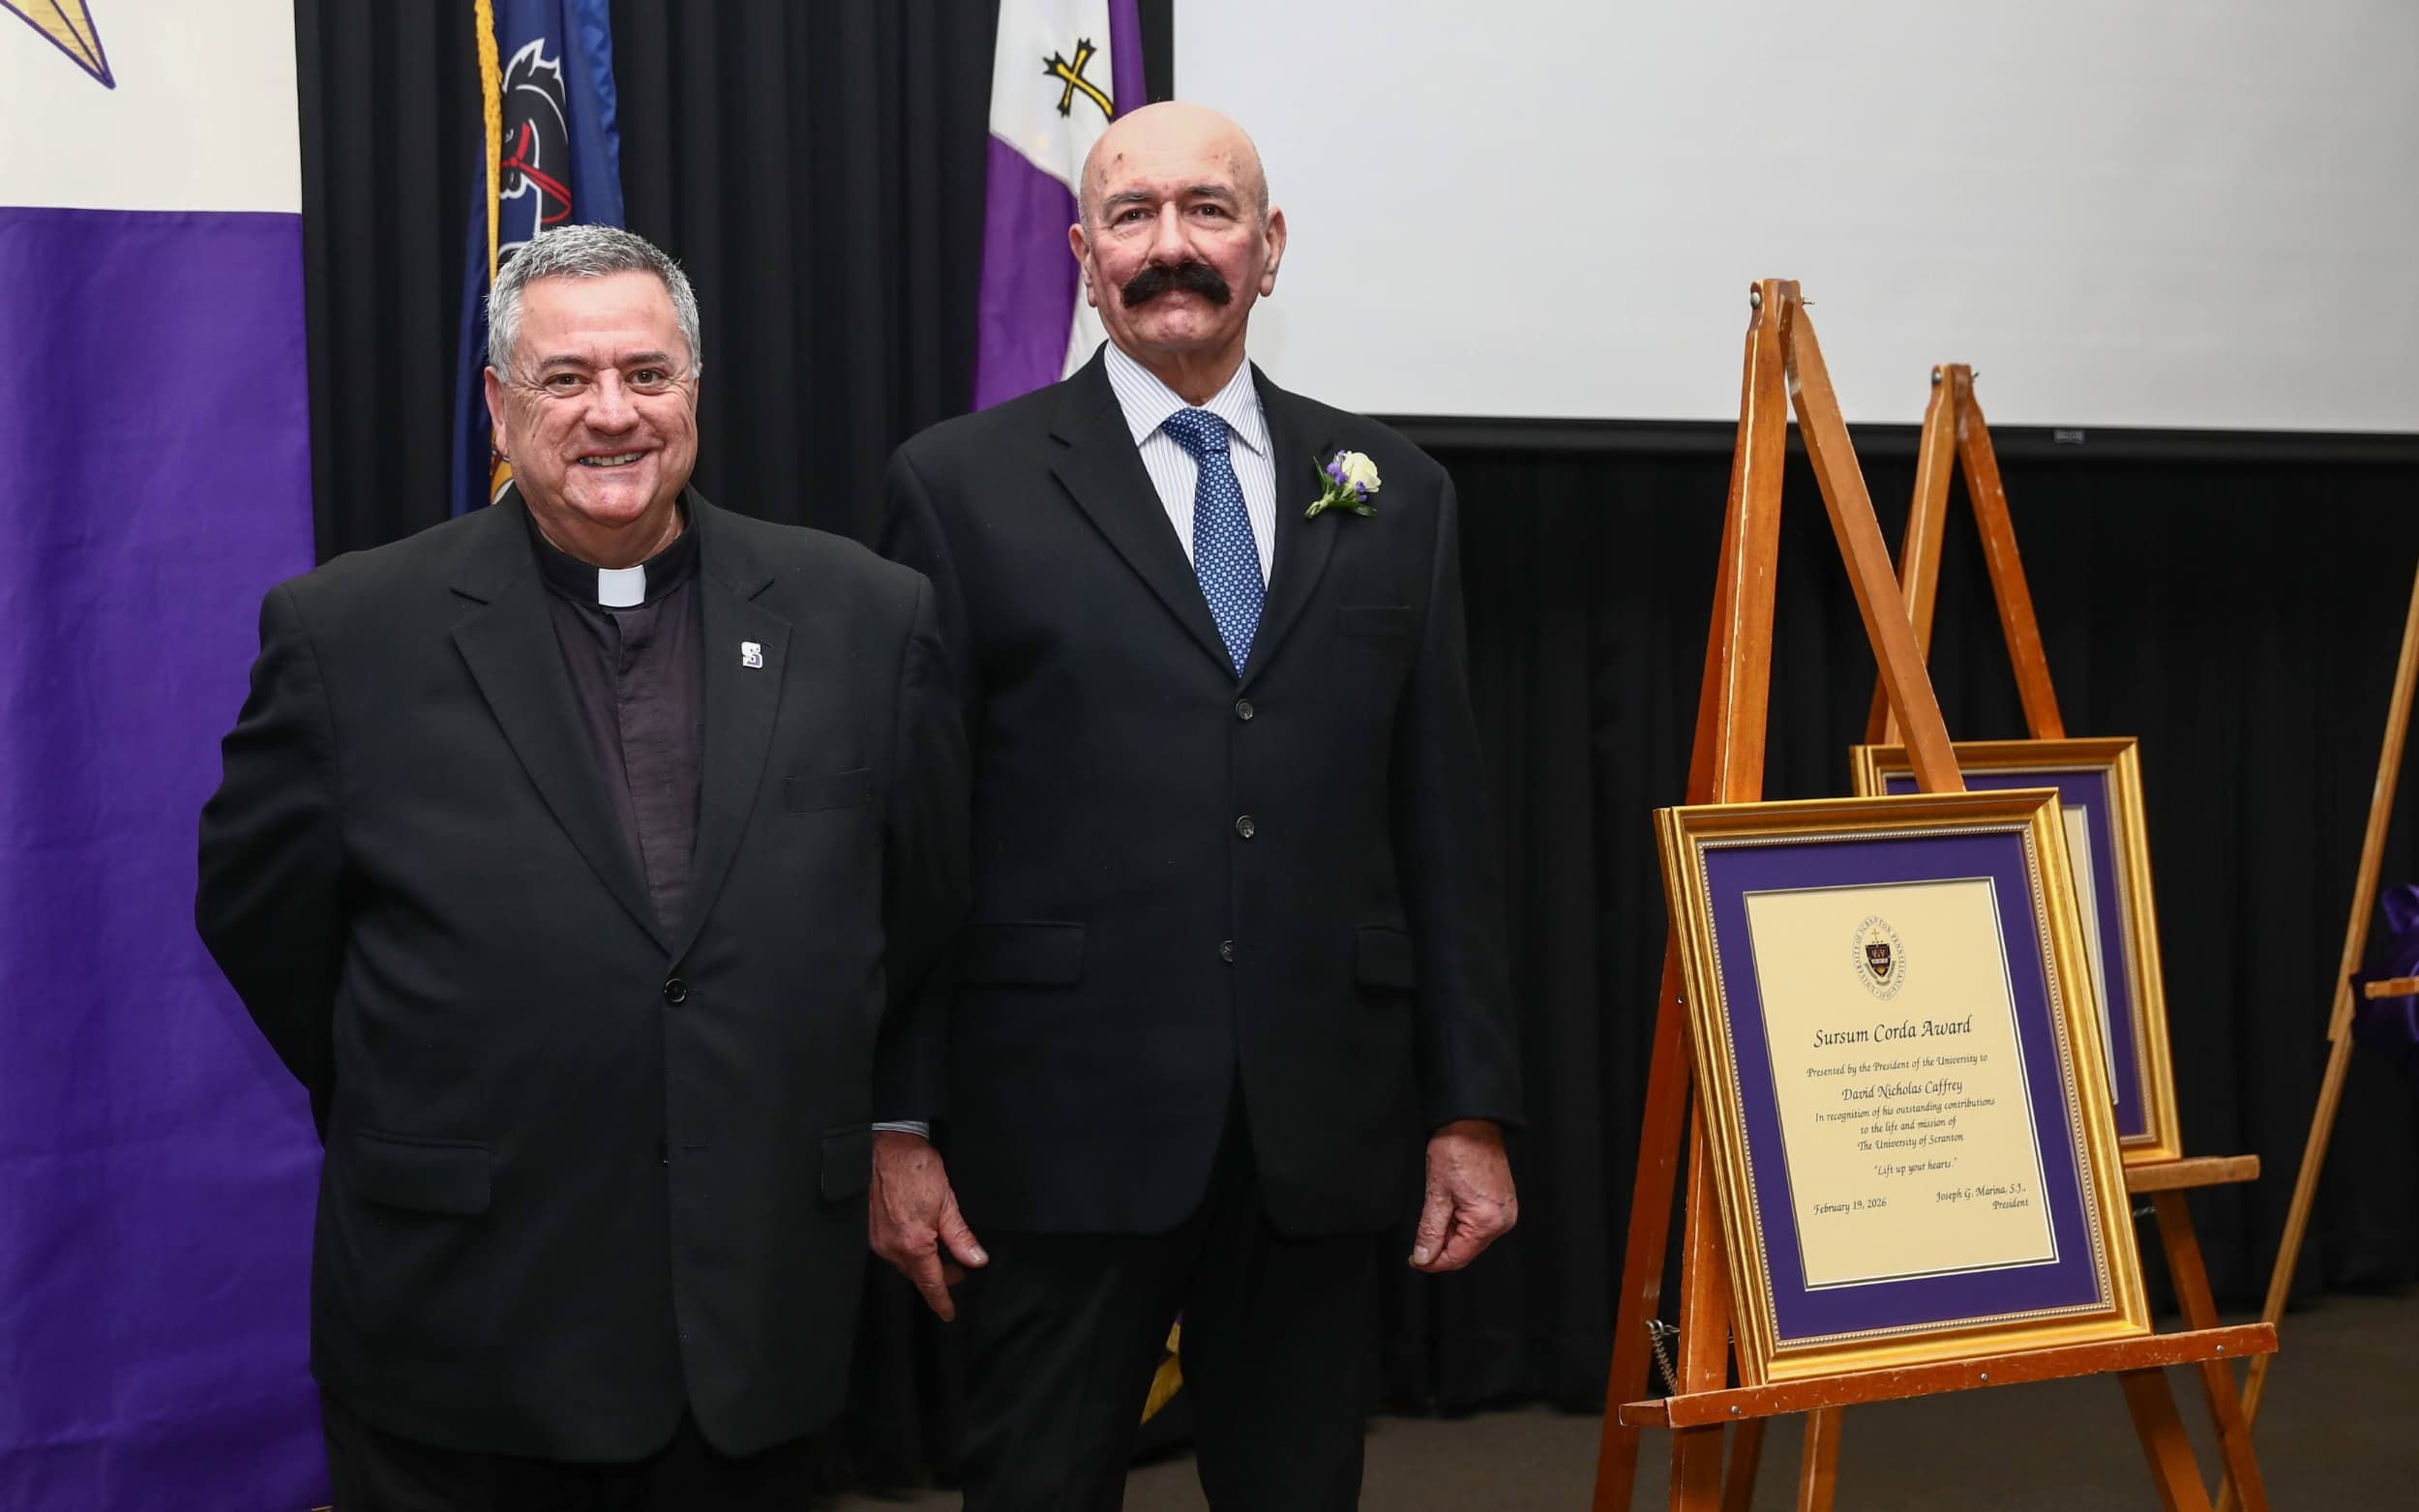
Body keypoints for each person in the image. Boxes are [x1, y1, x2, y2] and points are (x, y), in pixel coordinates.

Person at [195, 223, 966, 1510]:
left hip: (752, 1322)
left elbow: (921, 906)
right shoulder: (348, 632)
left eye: (648, 375)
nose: (613, 413)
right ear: (500, 408)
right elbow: (267, 921)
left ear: (695, 393)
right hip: (464, 1322)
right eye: (567, 379)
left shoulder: (864, 617)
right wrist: (436, 1075)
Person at [873, 102, 1523, 1510]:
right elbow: (913, 838)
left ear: (1270, 247)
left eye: (1210, 211)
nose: (1174, 246)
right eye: (1134, 215)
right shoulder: (959, 486)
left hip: (1320, 1119)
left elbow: (1442, 825)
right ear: (1085, 254)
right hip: (1055, 1126)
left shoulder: (1393, 494)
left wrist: (1470, 1108)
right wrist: (899, 1122)